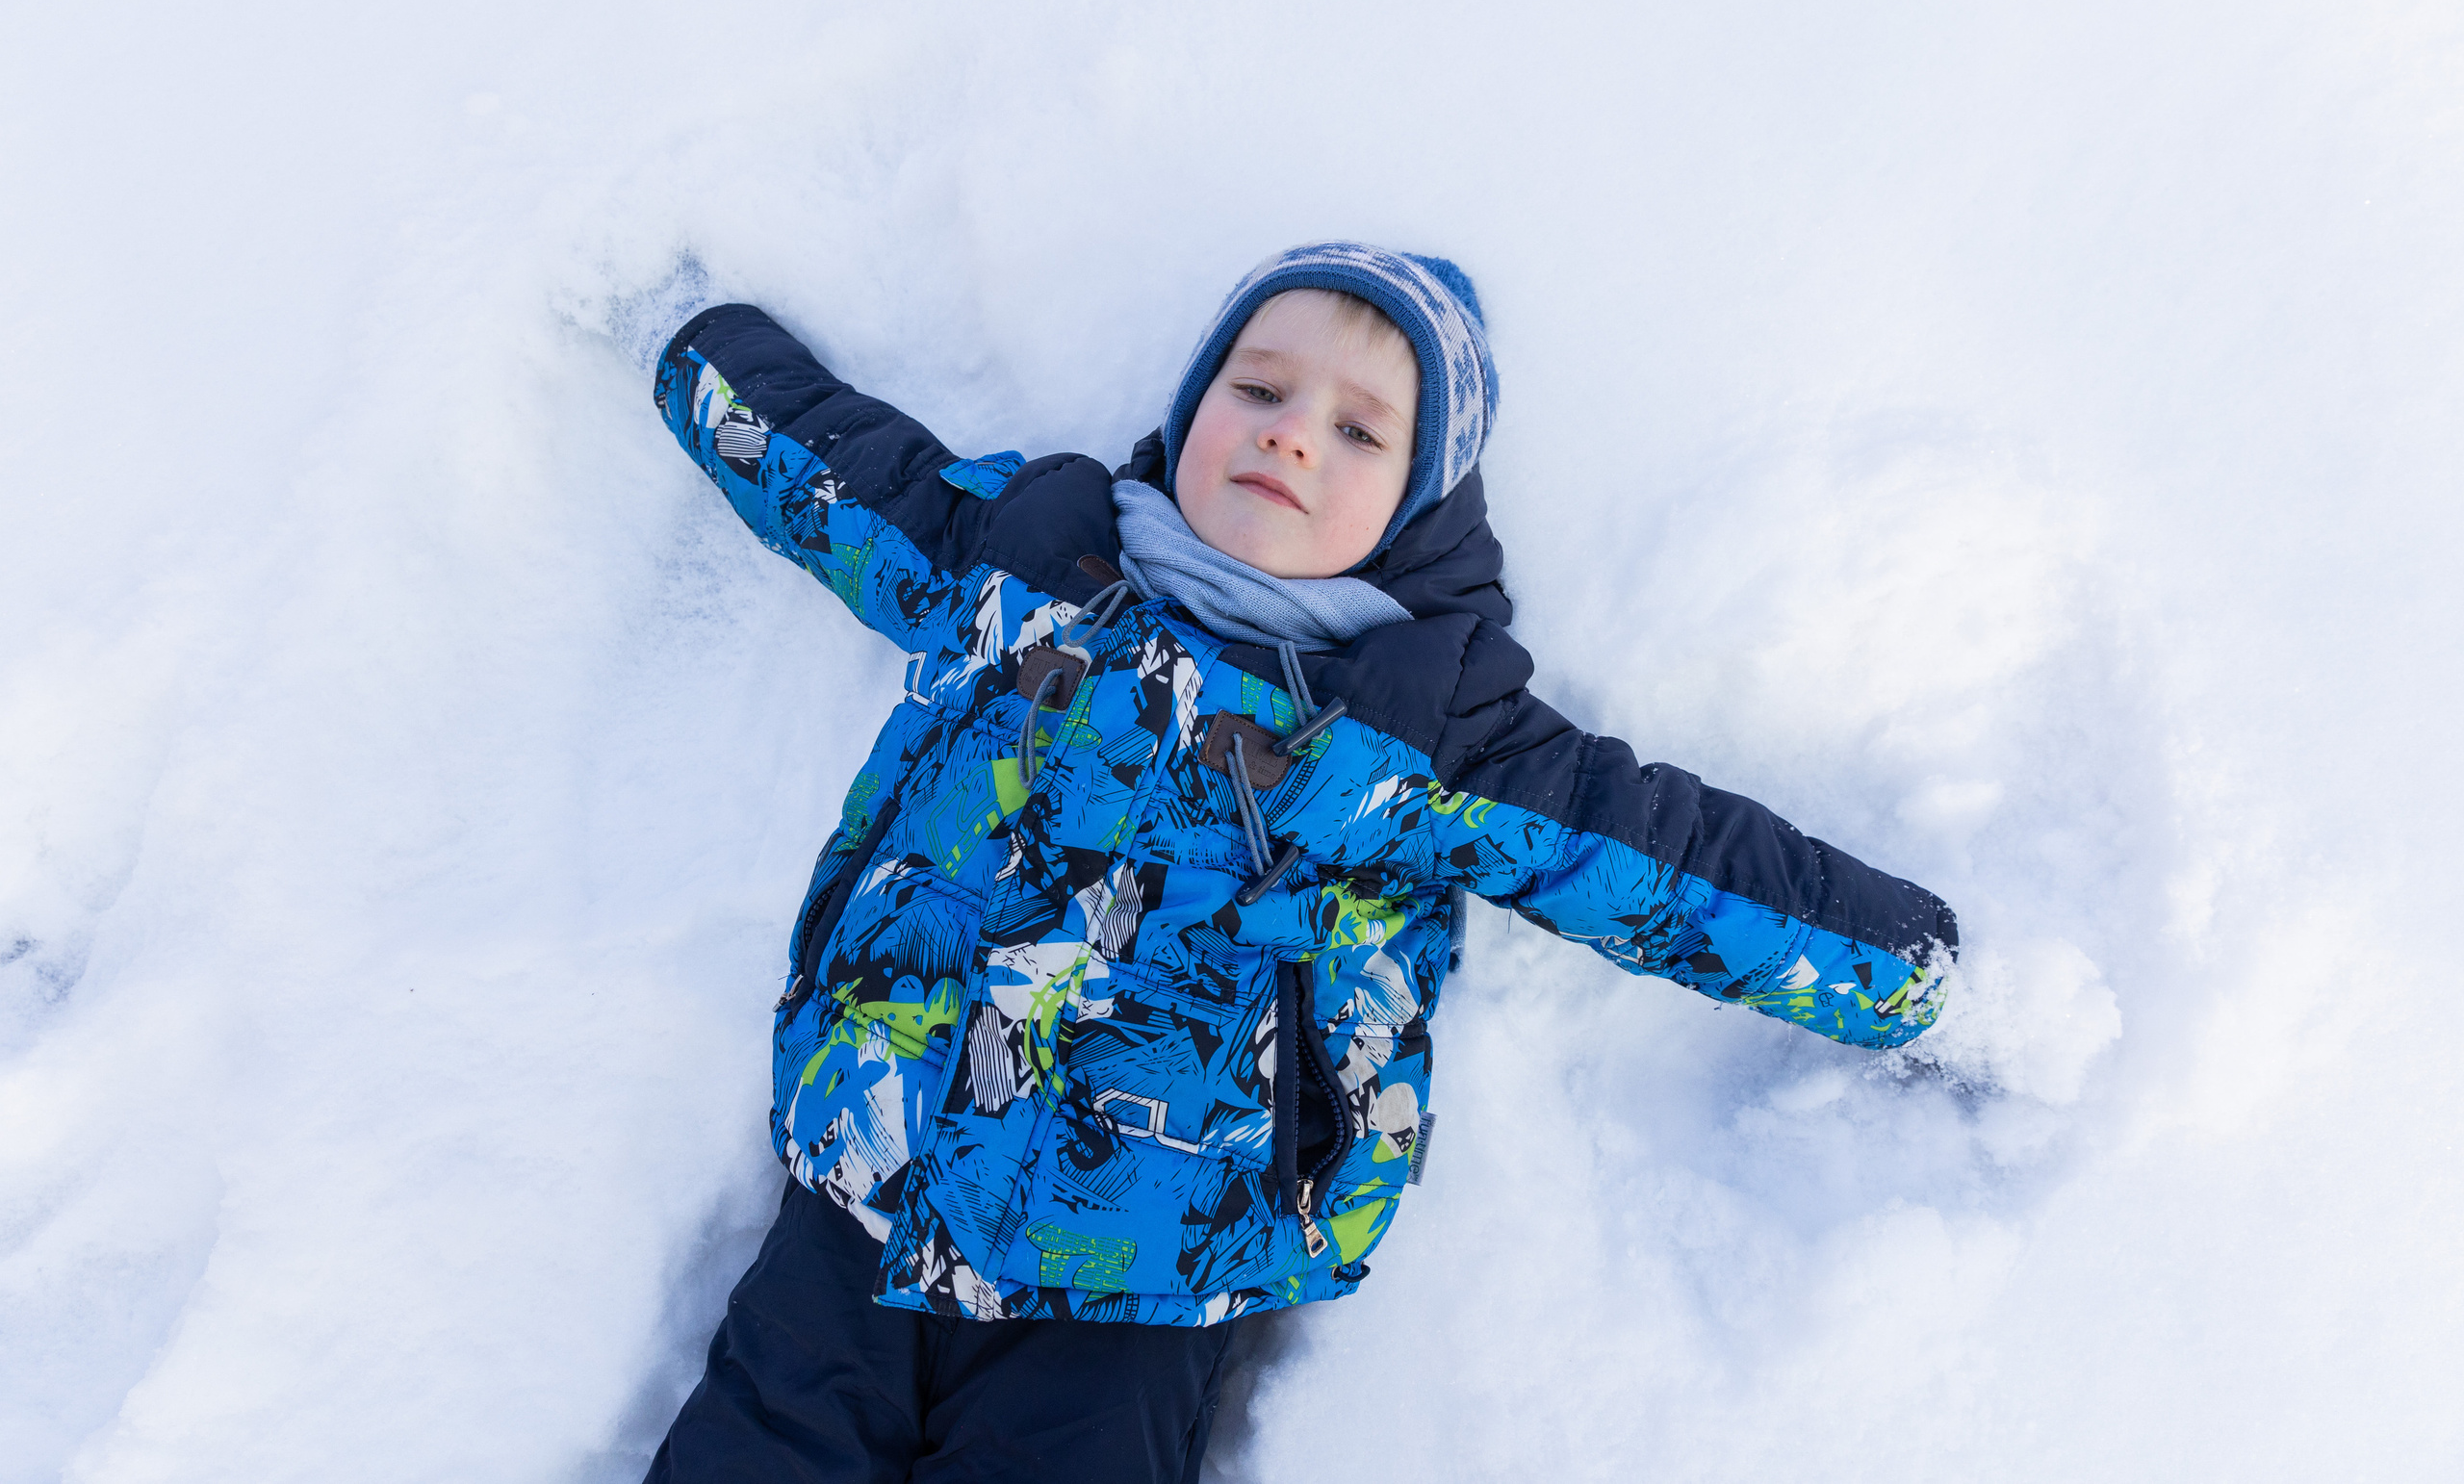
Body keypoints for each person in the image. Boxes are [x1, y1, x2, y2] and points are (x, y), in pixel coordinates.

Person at [618, 243, 1958, 1482]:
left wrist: (1913, 981)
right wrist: (684, 336)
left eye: (1360, 430)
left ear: (1421, 508)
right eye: (1257, 385)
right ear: (1192, 407)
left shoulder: (1423, 737)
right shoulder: (1023, 564)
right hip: (872, 1160)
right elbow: (831, 469)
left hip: (1148, 1265)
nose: (1290, 431)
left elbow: (1675, 868)